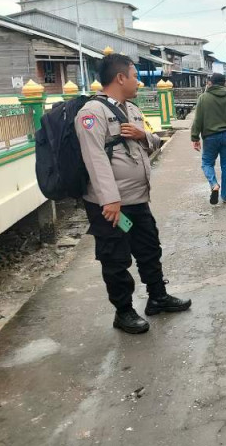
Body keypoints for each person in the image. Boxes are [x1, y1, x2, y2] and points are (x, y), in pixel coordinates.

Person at [76, 54, 191, 334]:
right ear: (120, 78)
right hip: (111, 206)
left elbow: (152, 145)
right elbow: (95, 159)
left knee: (149, 249)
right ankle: (124, 312)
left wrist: (142, 135)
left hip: (138, 200)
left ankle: (157, 297)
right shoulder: (92, 114)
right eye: (134, 75)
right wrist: (110, 200)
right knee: (115, 259)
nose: (138, 81)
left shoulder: (133, 110)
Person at [191, 73, 226, 205]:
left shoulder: (203, 98)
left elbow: (197, 119)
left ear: (210, 82)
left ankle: (214, 184)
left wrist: (195, 137)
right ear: (224, 83)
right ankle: (225, 197)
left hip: (209, 137)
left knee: (207, 163)